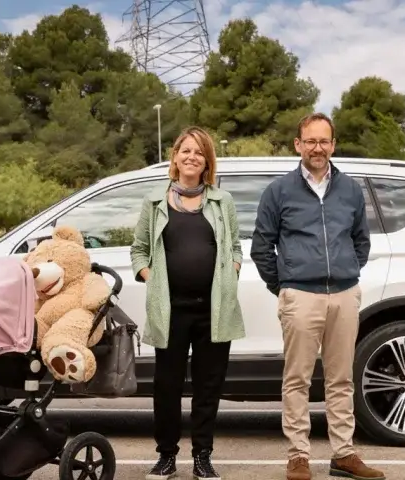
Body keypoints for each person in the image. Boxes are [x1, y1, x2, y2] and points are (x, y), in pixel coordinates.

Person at [250, 113, 385, 480]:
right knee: (297, 380)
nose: (317, 147)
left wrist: (346, 272)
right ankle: (298, 456)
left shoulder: (351, 190)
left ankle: (344, 454)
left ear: (333, 145)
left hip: (344, 295)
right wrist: (286, 285)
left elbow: (361, 241)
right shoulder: (279, 191)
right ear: (298, 145)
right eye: (310, 141)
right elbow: (262, 247)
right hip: (301, 296)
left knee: (341, 379)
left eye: (324, 141)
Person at [130, 126, 245, 480]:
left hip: (213, 310)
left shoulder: (221, 202)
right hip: (171, 310)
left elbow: (236, 248)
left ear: (207, 161)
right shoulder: (154, 203)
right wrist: (152, 279)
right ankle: (166, 456)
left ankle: (203, 457)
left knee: (208, 388)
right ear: (175, 156)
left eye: (200, 152)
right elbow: (138, 251)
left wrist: (232, 272)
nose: (192, 157)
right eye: (186, 150)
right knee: (167, 387)